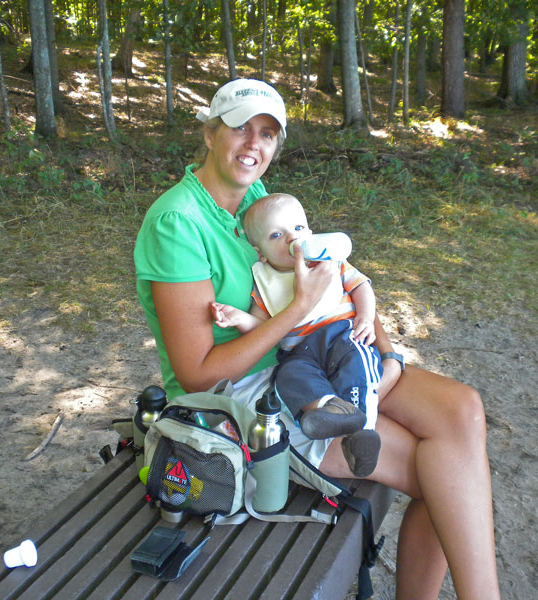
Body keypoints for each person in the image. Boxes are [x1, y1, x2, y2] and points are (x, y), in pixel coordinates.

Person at [134, 78, 501, 599]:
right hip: (242, 392)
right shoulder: (177, 222)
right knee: (438, 479)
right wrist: (300, 310)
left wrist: (386, 350)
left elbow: (338, 277)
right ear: (212, 132)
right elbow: (198, 371)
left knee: (462, 409)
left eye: (267, 134)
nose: (253, 145)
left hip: (317, 349)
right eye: (240, 128)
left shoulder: (258, 201)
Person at [210, 192, 382, 477]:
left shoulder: (327, 260)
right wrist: (240, 318)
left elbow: (360, 285)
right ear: (260, 252)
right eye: (277, 235)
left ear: (310, 232)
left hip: (341, 334)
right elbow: (264, 330)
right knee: (288, 377)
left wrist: (365, 316)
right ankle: (327, 409)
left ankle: (362, 433)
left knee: (356, 368)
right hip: (299, 352)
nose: (292, 239)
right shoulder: (263, 280)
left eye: (298, 229)